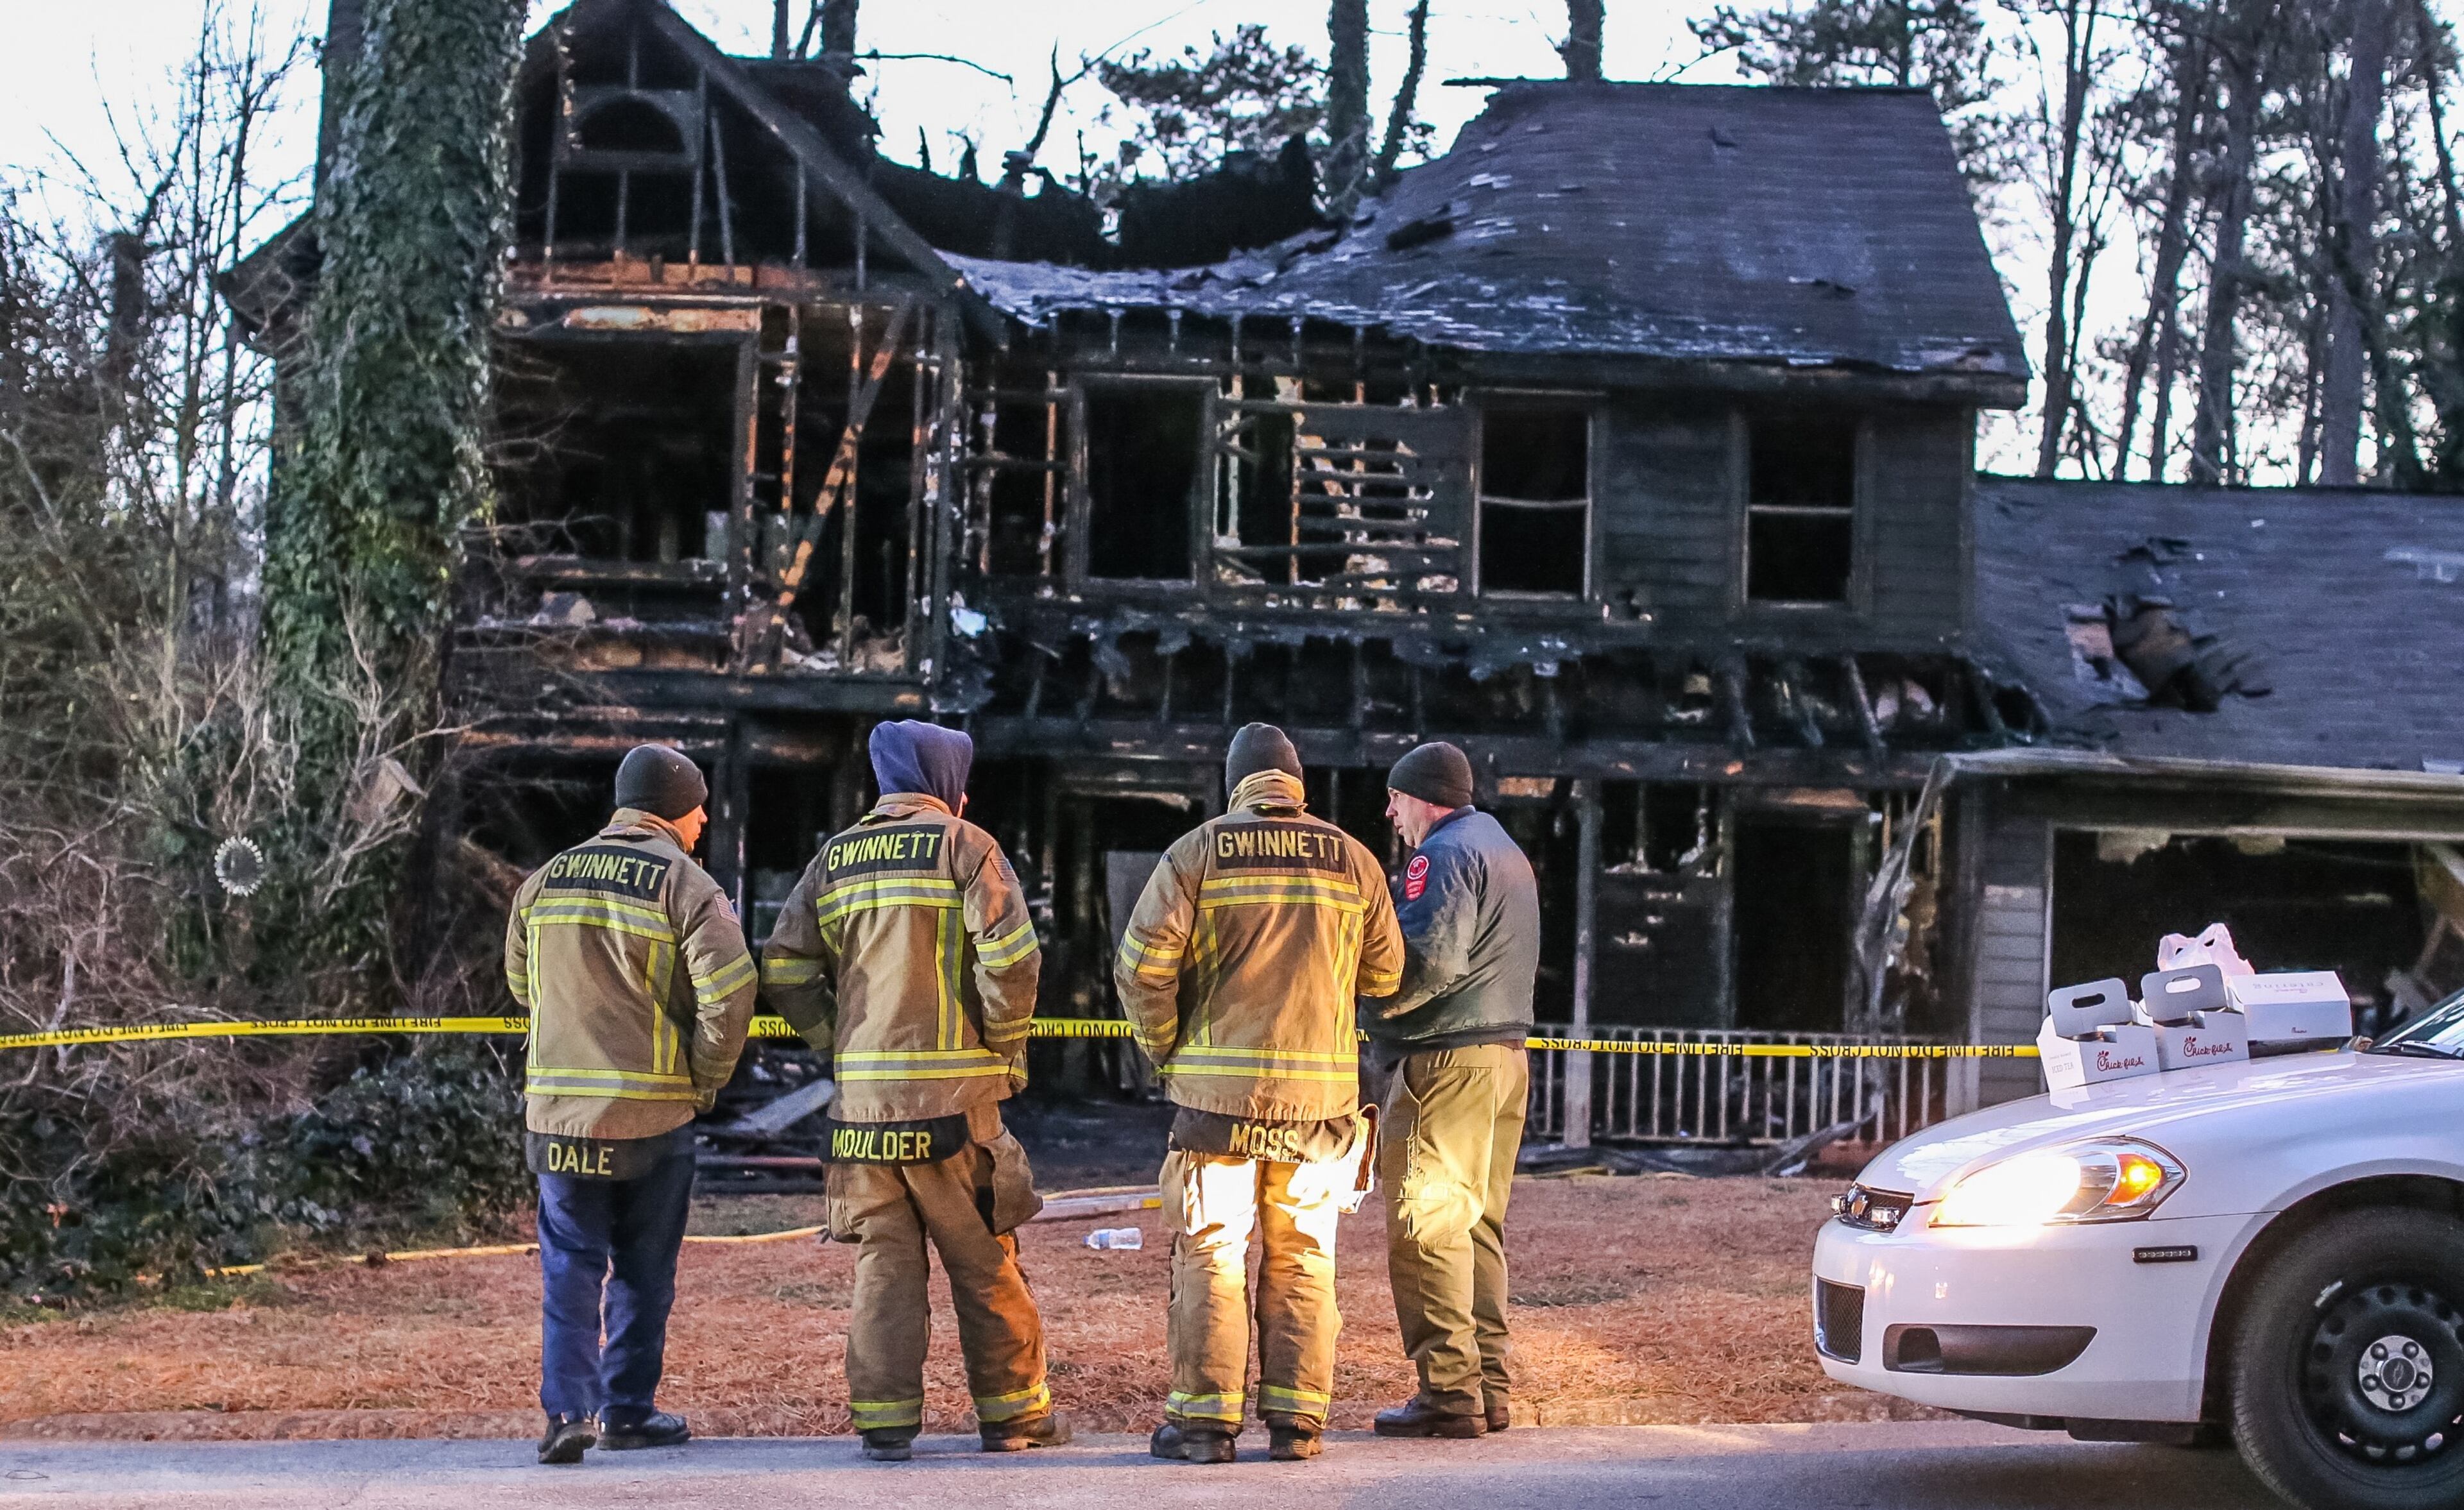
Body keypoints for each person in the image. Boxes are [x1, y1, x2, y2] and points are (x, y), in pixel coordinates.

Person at [760, 720, 1066, 1463]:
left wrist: (840, 1042)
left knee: (883, 1270)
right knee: (987, 1264)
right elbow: (1012, 961)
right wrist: (1002, 1050)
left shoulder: (835, 858)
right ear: (946, 783)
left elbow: (786, 965)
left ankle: (885, 1423)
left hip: (861, 1115)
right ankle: (1015, 1417)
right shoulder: (967, 847)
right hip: (954, 1110)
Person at [1115, 723, 1405, 1465]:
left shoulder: (1198, 851)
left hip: (1216, 1106)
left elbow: (1142, 967)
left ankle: (1206, 1427)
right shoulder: (1355, 858)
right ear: (1296, 783)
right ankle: (1297, 1424)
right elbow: (1387, 974)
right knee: (1305, 1256)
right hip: (1322, 1108)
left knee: (1211, 1252)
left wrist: (1165, 1052)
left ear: (1235, 783)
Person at [503, 743, 759, 1466]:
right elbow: (731, 992)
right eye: (700, 803)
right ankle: (626, 1411)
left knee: (570, 1267)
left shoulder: (543, 882)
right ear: (672, 806)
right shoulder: (687, 884)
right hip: (653, 1118)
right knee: (645, 1274)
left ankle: (566, 1414)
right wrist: (704, 1078)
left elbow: (522, 986)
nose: (706, 815)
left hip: (556, 1118)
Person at [1364, 740, 1539, 1440]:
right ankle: (1488, 1386)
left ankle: (1448, 1392)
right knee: (1477, 1227)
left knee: (1429, 1225)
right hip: (1503, 1062)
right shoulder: (1503, 847)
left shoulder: (1439, 856)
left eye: (1397, 798)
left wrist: (1363, 1006)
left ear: (1425, 797)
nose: (1391, 812)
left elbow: (1428, 959)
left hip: (1446, 1066)